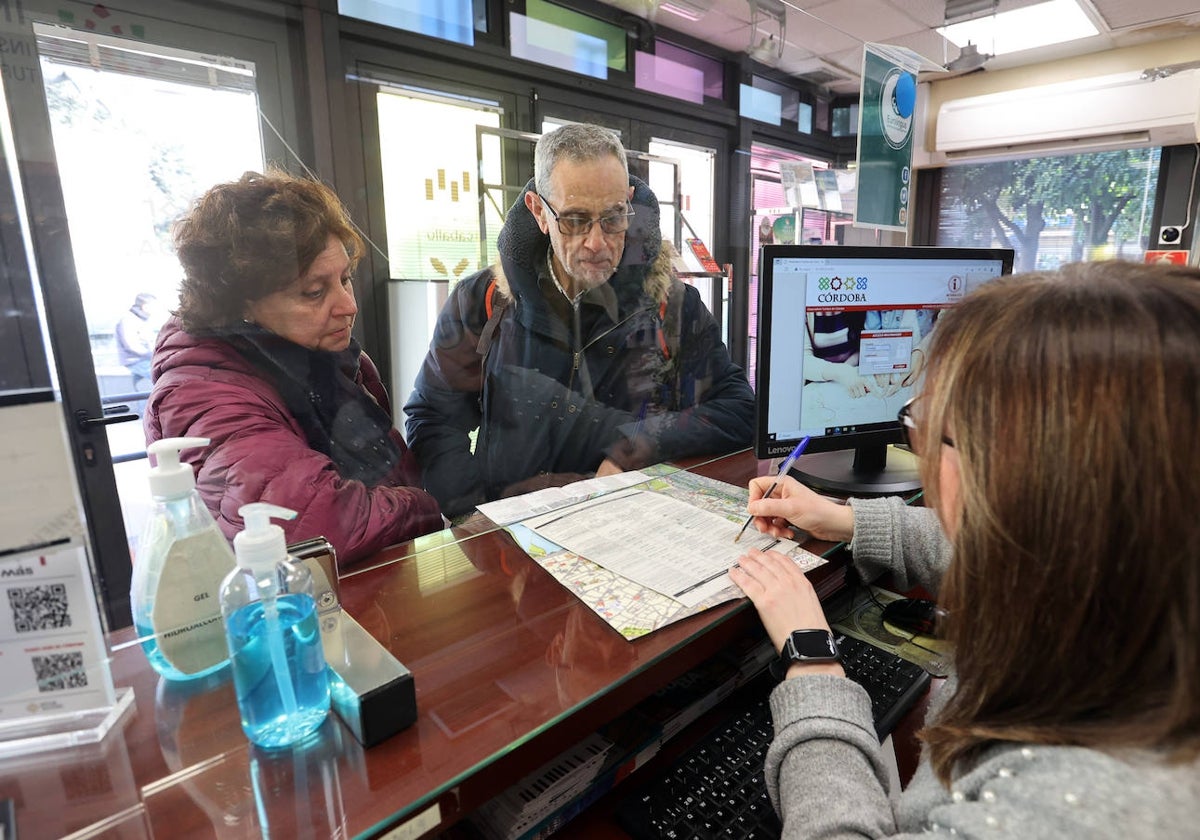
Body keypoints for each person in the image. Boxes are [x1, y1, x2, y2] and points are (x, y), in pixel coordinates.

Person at [731, 261, 1200, 837]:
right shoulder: (1139, 583)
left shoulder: (1095, 807)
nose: (921, 447)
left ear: (1034, 480)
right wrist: (842, 518)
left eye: (931, 426)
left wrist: (812, 659)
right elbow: (992, 549)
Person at [405, 123, 754, 517]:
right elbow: (433, 416)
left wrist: (638, 443)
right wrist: (473, 512)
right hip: (510, 530)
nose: (597, 243)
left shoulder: (671, 305)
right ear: (539, 212)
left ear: (630, 202)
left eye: (613, 217)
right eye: (574, 220)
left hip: (631, 523)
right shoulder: (483, 301)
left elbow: (739, 410)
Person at [145, 170, 443, 566]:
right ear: (241, 304)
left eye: (345, 279)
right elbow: (311, 523)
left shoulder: (321, 355)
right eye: (314, 292)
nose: (348, 306)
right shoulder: (201, 391)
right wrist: (427, 507)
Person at [116, 292, 163, 388]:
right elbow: (131, 346)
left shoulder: (141, 320)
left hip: (146, 360)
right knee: (165, 377)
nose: (156, 309)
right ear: (145, 306)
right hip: (136, 362)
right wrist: (154, 354)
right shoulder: (128, 320)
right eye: (154, 306)